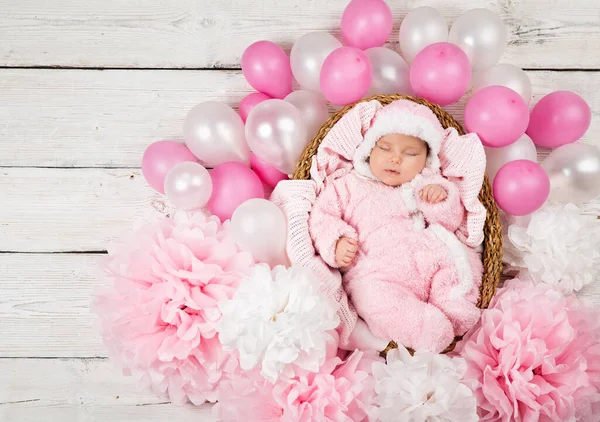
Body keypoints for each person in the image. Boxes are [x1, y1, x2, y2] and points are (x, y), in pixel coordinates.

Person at [308, 100, 483, 353]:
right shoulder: (347, 185)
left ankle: (454, 311)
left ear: (426, 160)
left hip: (427, 255)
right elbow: (322, 217)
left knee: (459, 261)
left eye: (410, 153)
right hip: (377, 271)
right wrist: (336, 242)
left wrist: (441, 199)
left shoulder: (427, 182)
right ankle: (424, 328)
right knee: (373, 300)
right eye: (385, 148)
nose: (395, 158)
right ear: (369, 149)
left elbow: (451, 222)